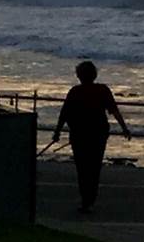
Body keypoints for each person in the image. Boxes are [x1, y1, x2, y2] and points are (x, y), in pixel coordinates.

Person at [49, 60, 130, 215]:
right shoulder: (102, 90)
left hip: (79, 134)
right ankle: (90, 199)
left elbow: (64, 113)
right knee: (94, 166)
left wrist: (57, 132)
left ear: (79, 76)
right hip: (98, 134)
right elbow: (114, 110)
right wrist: (124, 128)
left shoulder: (75, 91)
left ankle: (86, 199)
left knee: (82, 168)